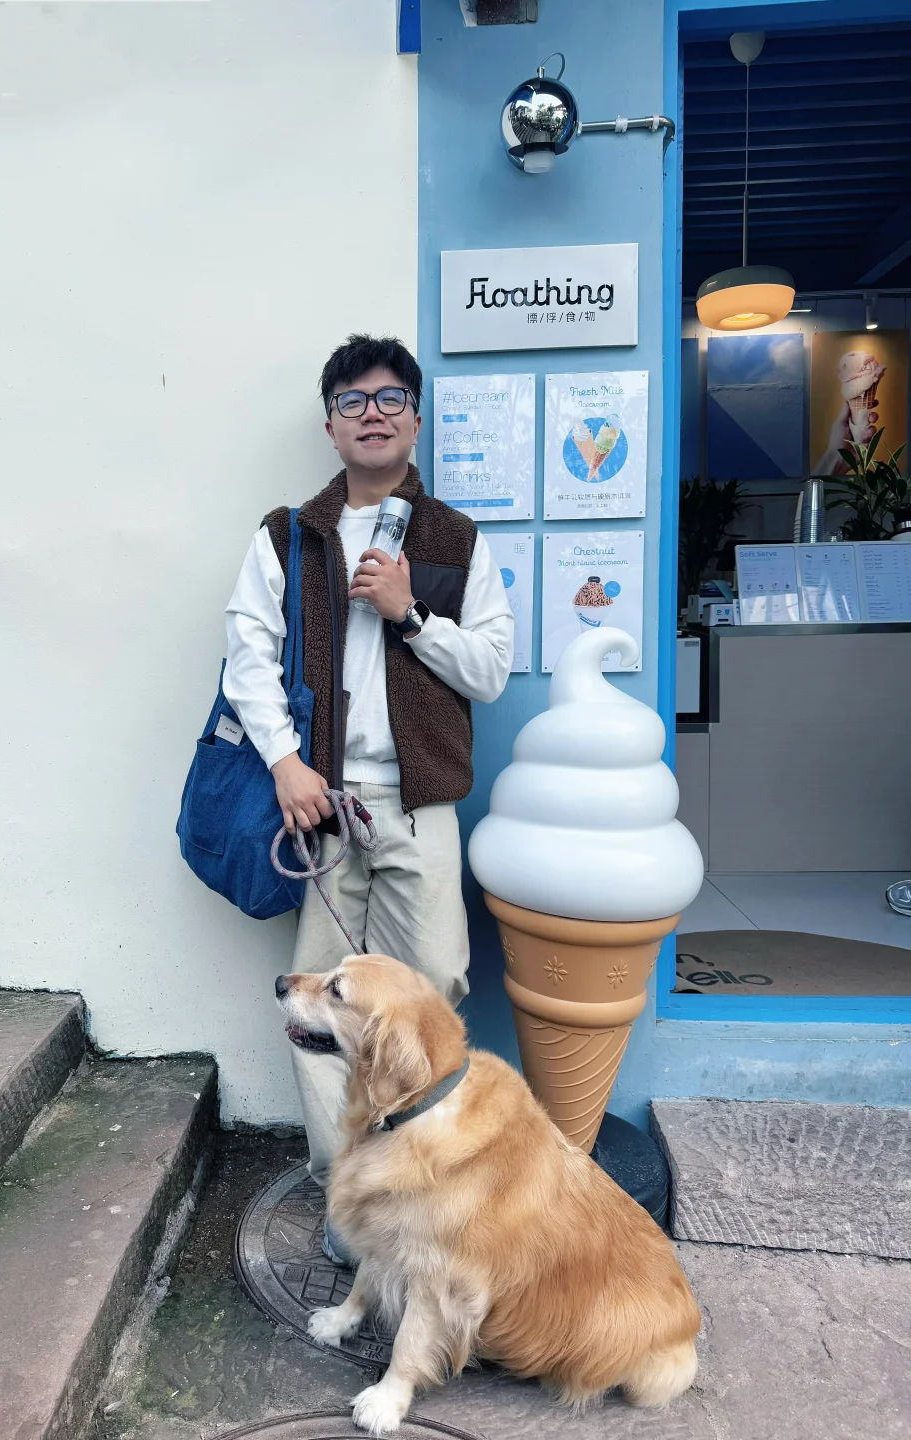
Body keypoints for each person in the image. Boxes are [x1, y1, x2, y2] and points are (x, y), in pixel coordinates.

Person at [222, 334, 513, 1258]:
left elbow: (492, 669)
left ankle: (424, 1182)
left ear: (417, 418)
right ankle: (346, 1195)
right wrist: (283, 764)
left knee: (439, 986)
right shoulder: (287, 536)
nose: (373, 413)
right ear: (331, 424)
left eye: (390, 398)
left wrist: (410, 614)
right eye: (353, 401)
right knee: (317, 1007)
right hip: (321, 808)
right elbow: (247, 660)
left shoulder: (455, 540)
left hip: (419, 802)